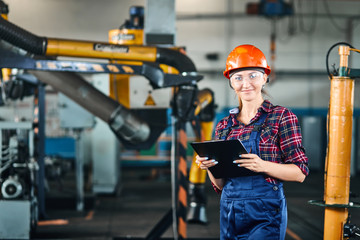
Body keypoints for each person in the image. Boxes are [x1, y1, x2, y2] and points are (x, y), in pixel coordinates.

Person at [195, 44, 309, 240]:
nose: (245, 83)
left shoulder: (281, 117)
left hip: (266, 211)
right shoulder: (224, 125)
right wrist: (210, 167)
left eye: (253, 75)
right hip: (230, 210)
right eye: (238, 77)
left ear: (265, 77)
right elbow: (221, 185)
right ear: (231, 82)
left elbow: (300, 173)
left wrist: (262, 165)